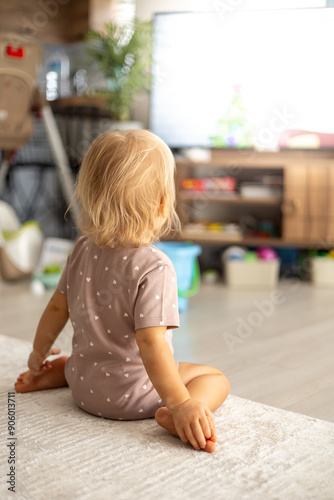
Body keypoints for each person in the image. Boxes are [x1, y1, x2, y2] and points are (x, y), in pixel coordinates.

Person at [15, 130, 230, 453]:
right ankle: (180, 415)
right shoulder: (155, 265)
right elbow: (150, 341)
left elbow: (58, 308)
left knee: (95, 351)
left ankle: (58, 372)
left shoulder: (82, 248)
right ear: (162, 204)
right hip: (134, 398)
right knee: (214, 378)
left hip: (85, 388)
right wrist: (180, 401)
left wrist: (37, 353)